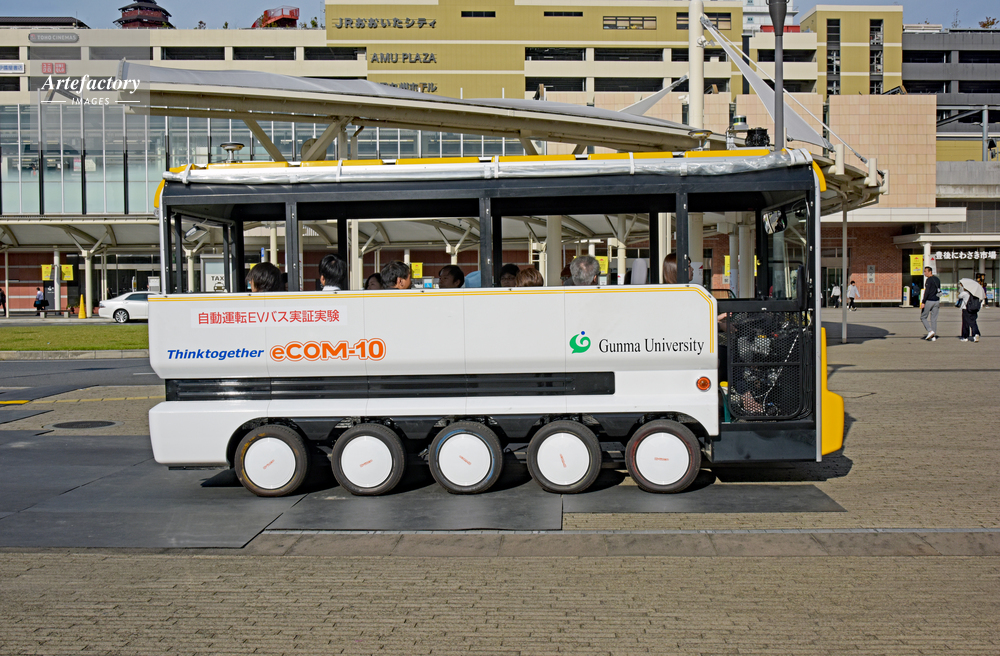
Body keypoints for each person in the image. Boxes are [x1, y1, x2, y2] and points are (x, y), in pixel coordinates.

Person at [920, 266, 941, 341]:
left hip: (929, 300)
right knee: (933, 319)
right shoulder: (937, 279)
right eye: (924, 271)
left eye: (926, 271)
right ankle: (933, 336)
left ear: (930, 272)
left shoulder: (929, 280)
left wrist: (923, 302)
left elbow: (927, 291)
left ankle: (930, 331)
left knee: (923, 317)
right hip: (937, 301)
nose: (924, 273)